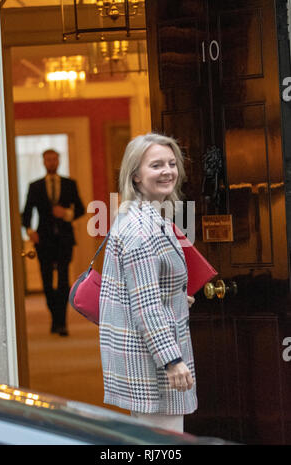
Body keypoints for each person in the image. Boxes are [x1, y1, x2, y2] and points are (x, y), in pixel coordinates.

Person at [99, 133, 197, 433]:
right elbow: (146, 306)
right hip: (153, 363)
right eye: (156, 165)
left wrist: (177, 295)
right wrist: (172, 361)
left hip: (144, 355)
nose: (168, 171)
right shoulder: (142, 229)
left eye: (171, 163)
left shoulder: (150, 216)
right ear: (136, 177)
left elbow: (146, 289)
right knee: (163, 446)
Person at [22, 149, 85, 336]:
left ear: (58, 161)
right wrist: (29, 231)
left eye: (54, 159)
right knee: (47, 282)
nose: (51, 162)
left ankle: (62, 322)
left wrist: (66, 214)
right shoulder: (35, 186)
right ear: (43, 162)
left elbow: (81, 208)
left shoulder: (69, 184)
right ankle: (54, 318)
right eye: (48, 159)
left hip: (65, 239)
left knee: (64, 281)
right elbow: (26, 213)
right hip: (43, 240)